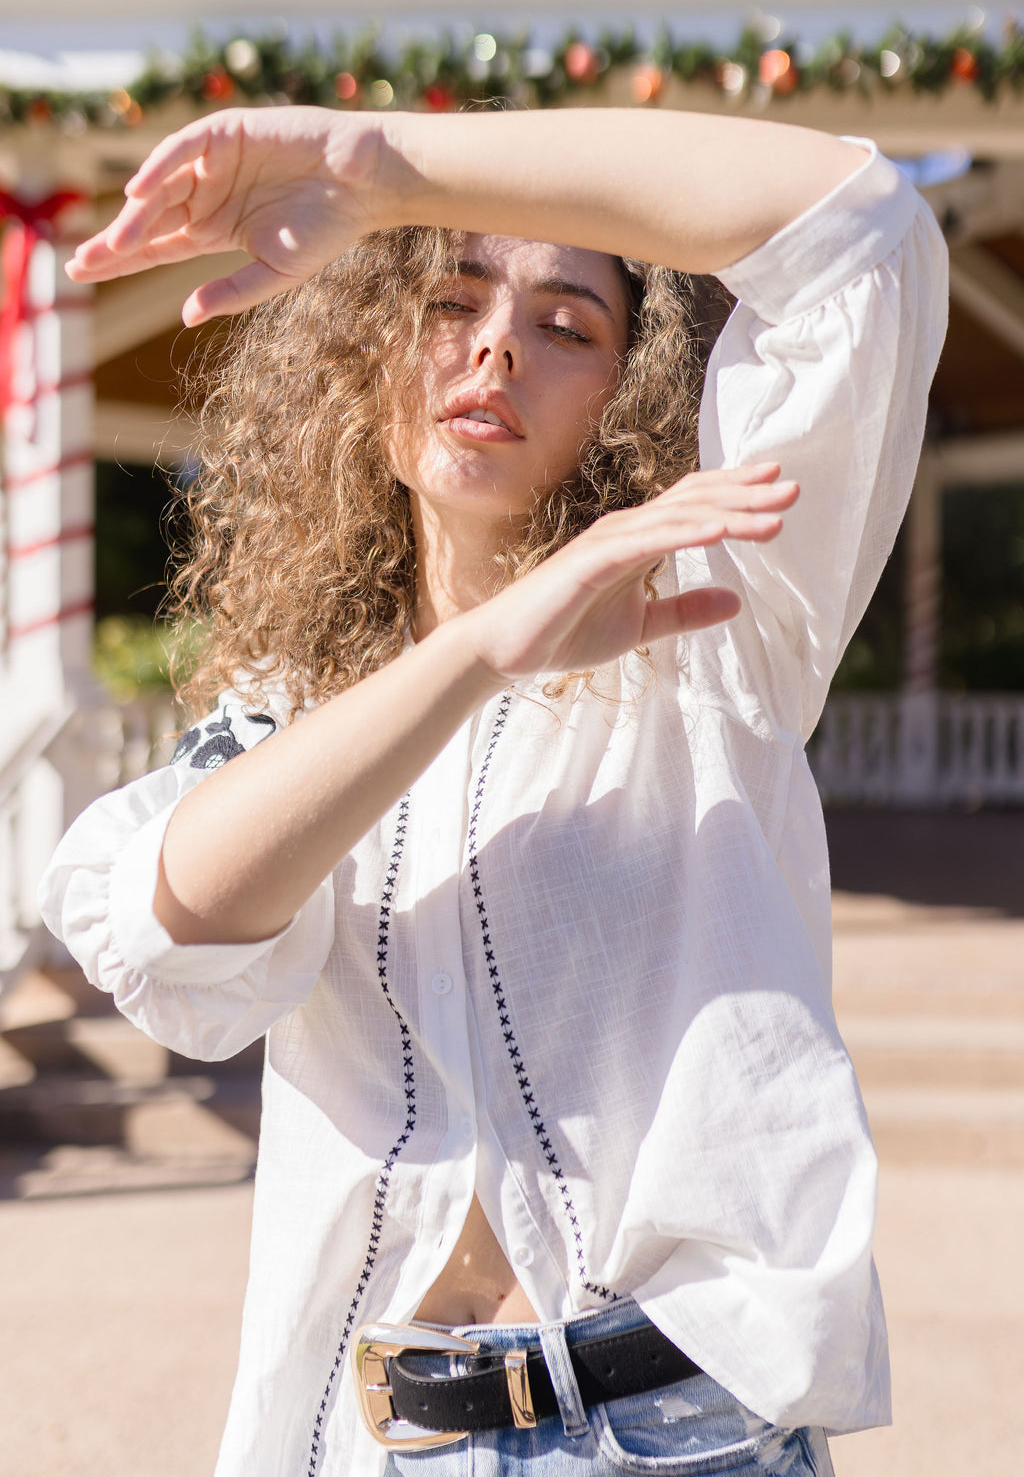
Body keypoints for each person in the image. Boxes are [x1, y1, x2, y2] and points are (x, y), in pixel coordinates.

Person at [40, 104, 947, 1477]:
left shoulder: (721, 617)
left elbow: (858, 229)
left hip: (681, 1442)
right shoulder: (295, 711)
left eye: (568, 324)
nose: (495, 346)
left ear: (628, 398)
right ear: (369, 362)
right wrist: (480, 652)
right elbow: (170, 930)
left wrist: (382, 171)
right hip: (377, 1445)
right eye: (448, 299)